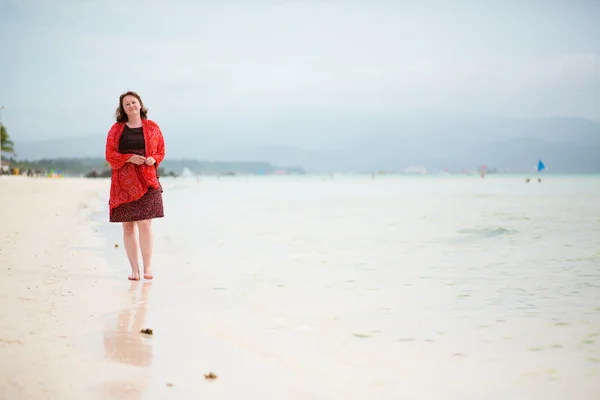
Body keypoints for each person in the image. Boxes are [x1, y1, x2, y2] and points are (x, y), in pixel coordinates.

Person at [105, 91, 165, 281]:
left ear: (140, 104)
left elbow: (161, 151)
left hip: (148, 179)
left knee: (145, 225)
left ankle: (147, 268)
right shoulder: (116, 129)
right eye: (126, 104)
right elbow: (110, 154)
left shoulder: (153, 127)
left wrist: (152, 159)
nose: (131, 106)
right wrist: (128, 158)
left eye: (133, 102)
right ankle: (134, 270)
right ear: (123, 109)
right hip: (124, 183)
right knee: (128, 227)